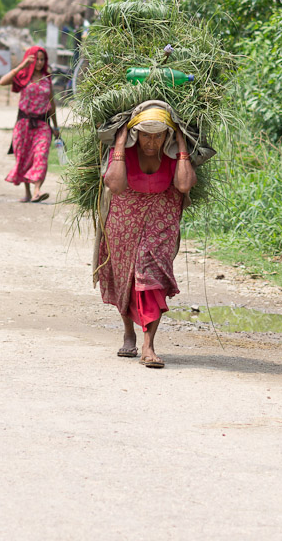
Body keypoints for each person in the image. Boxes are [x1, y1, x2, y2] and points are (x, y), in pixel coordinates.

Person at [97, 103, 196, 368]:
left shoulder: (174, 152)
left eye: (158, 135)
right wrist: (120, 142)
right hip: (123, 217)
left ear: (167, 137)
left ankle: (149, 344)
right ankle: (129, 331)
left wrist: (181, 142)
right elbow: (115, 186)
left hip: (161, 219)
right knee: (125, 276)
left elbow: (184, 185)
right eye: (145, 135)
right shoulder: (124, 151)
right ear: (134, 135)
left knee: (152, 275)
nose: (151, 142)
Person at [0, 45, 59, 203]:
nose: (39, 62)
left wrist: (56, 126)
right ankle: (27, 193)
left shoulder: (47, 78)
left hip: (42, 125)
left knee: (41, 156)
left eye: (42, 59)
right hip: (23, 124)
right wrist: (22, 66)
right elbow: (2, 81)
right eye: (36, 59)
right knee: (24, 158)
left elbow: (51, 104)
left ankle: (37, 190)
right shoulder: (23, 76)